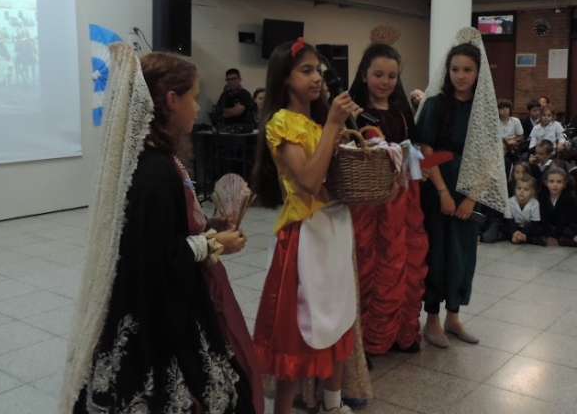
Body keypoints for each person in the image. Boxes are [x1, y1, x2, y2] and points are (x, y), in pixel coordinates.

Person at [60, 45, 257, 414]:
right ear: (171, 100)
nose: (197, 108)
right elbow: (154, 253)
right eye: (193, 98)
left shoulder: (155, 159)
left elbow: (161, 228)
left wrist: (206, 226)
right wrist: (213, 243)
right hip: (161, 310)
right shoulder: (155, 169)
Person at [252, 38, 362, 414]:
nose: (317, 77)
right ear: (285, 77)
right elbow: (310, 182)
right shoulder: (282, 122)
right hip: (303, 237)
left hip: (334, 230)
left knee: (338, 314)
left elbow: (335, 180)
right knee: (296, 332)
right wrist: (332, 125)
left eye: (318, 70)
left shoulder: (317, 122)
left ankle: (332, 403)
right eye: (306, 70)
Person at [415, 27, 508, 349]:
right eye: (455, 69)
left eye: (467, 70)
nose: (461, 76)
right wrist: (442, 191)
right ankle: (432, 319)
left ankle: (453, 316)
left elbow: (489, 157)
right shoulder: (434, 105)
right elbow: (426, 150)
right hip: (437, 185)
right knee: (436, 251)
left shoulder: (484, 112)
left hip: (469, 189)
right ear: (448, 71)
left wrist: (471, 197)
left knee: (461, 253)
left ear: (478, 72)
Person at [348, 43, 429, 356]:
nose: (385, 81)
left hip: (404, 197)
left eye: (392, 76)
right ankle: (365, 339)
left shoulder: (402, 112)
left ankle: (400, 331)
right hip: (370, 201)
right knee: (369, 262)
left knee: (403, 261)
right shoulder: (353, 114)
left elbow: (413, 147)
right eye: (378, 74)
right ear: (364, 75)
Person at [539, 168, 577, 247]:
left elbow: (563, 219)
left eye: (559, 182)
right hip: (548, 225)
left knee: (568, 231)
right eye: (551, 181)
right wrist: (549, 235)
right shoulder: (542, 195)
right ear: (546, 183)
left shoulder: (569, 197)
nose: (555, 185)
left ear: (564, 184)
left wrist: (555, 235)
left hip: (565, 225)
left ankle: (564, 240)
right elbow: (543, 216)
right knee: (537, 228)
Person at [505, 176, 544, 246]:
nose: (521, 191)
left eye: (526, 189)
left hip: (528, 227)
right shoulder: (510, 201)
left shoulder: (535, 203)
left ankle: (523, 238)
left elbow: (534, 222)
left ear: (532, 192)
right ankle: (518, 237)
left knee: (540, 229)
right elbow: (509, 220)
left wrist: (523, 233)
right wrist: (514, 232)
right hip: (515, 226)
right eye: (519, 188)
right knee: (502, 226)